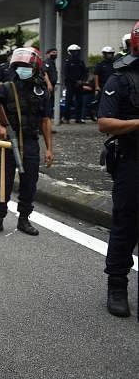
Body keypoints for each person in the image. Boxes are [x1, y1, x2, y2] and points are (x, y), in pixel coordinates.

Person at [0, 48, 53, 237]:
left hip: (31, 143)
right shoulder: (7, 88)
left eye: (26, 66)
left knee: (30, 183)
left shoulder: (41, 90)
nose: (22, 69)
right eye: (19, 66)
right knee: (4, 182)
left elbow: (45, 121)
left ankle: (24, 220)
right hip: (9, 143)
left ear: (35, 68)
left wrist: (49, 149)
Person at [97, 20, 139, 319]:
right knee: (125, 223)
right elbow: (104, 123)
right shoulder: (121, 77)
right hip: (132, 160)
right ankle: (117, 286)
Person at [63, 44, 88, 124]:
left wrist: (82, 81)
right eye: (73, 52)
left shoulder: (81, 62)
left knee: (79, 102)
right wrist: (75, 81)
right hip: (70, 84)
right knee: (68, 101)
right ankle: (66, 118)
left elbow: (85, 72)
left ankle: (78, 118)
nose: (75, 53)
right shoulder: (67, 62)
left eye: (77, 51)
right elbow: (66, 74)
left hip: (80, 85)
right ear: (69, 52)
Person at [43, 48, 59, 117]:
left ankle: (49, 115)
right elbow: (45, 72)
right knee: (48, 101)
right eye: (53, 52)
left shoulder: (52, 62)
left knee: (51, 101)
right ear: (47, 54)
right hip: (47, 85)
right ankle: (47, 115)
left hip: (52, 85)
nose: (55, 54)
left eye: (56, 53)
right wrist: (48, 83)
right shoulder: (47, 62)